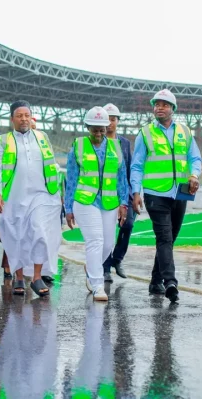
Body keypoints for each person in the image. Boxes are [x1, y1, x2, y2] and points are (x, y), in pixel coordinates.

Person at [131, 89, 202, 303]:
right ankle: (170, 282)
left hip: (180, 193)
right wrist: (136, 191)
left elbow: (195, 158)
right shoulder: (145, 133)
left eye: (164, 104)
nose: (159, 107)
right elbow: (137, 165)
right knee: (164, 237)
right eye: (156, 104)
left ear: (172, 108)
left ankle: (155, 281)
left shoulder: (185, 131)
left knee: (169, 240)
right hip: (155, 194)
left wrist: (194, 175)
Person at [0, 100, 61, 297]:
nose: (24, 119)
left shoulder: (42, 136)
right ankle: (19, 277)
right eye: (19, 116)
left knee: (40, 233)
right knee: (17, 236)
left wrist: (57, 193)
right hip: (14, 196)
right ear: (12, 119)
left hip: (41, 195)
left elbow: (52, 165)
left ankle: (36, 277)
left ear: (31, 117)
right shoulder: (4, 140)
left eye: (27, 115)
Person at [65, 106, 129, 302]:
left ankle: (91, 268)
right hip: (85, 200)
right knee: (95, 240)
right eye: (95, 129)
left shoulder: (115, 147)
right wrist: (68, 208)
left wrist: (123, 203)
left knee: (108, 245)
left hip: (109, 202)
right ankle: (97, 285)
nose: (99, 133)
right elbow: (71, 179)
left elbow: (121, 179)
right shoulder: (79, 145)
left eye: (102, 129)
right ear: (87, 127)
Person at [101, 103, 133, 283]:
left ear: (117, 121)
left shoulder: (125, 143)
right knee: (106, 233)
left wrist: (131, 194)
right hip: (104, 195)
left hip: (123, 193)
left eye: (113, 119)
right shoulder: (97, 141)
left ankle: (117, 259)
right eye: (107, 120)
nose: (110, 123)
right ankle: (105, 268)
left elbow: (128, 169)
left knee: (127, 225)